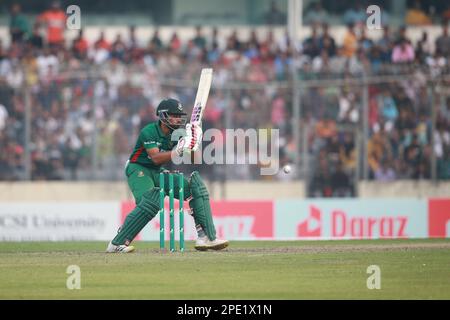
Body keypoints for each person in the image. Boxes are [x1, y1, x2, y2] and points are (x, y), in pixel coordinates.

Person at [106, 98, 229, 253]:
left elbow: (194, 160)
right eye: (174, 115)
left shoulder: (179, 133)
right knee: (151, 201)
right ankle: (117, 243)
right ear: (163, 116)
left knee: (195, 188)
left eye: (180, 116)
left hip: (158, 171)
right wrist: (178, 150)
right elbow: (155, 157)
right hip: (138, 169)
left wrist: (193, 143)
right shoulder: (149, 131)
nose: (178, 119)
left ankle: (206, 237)